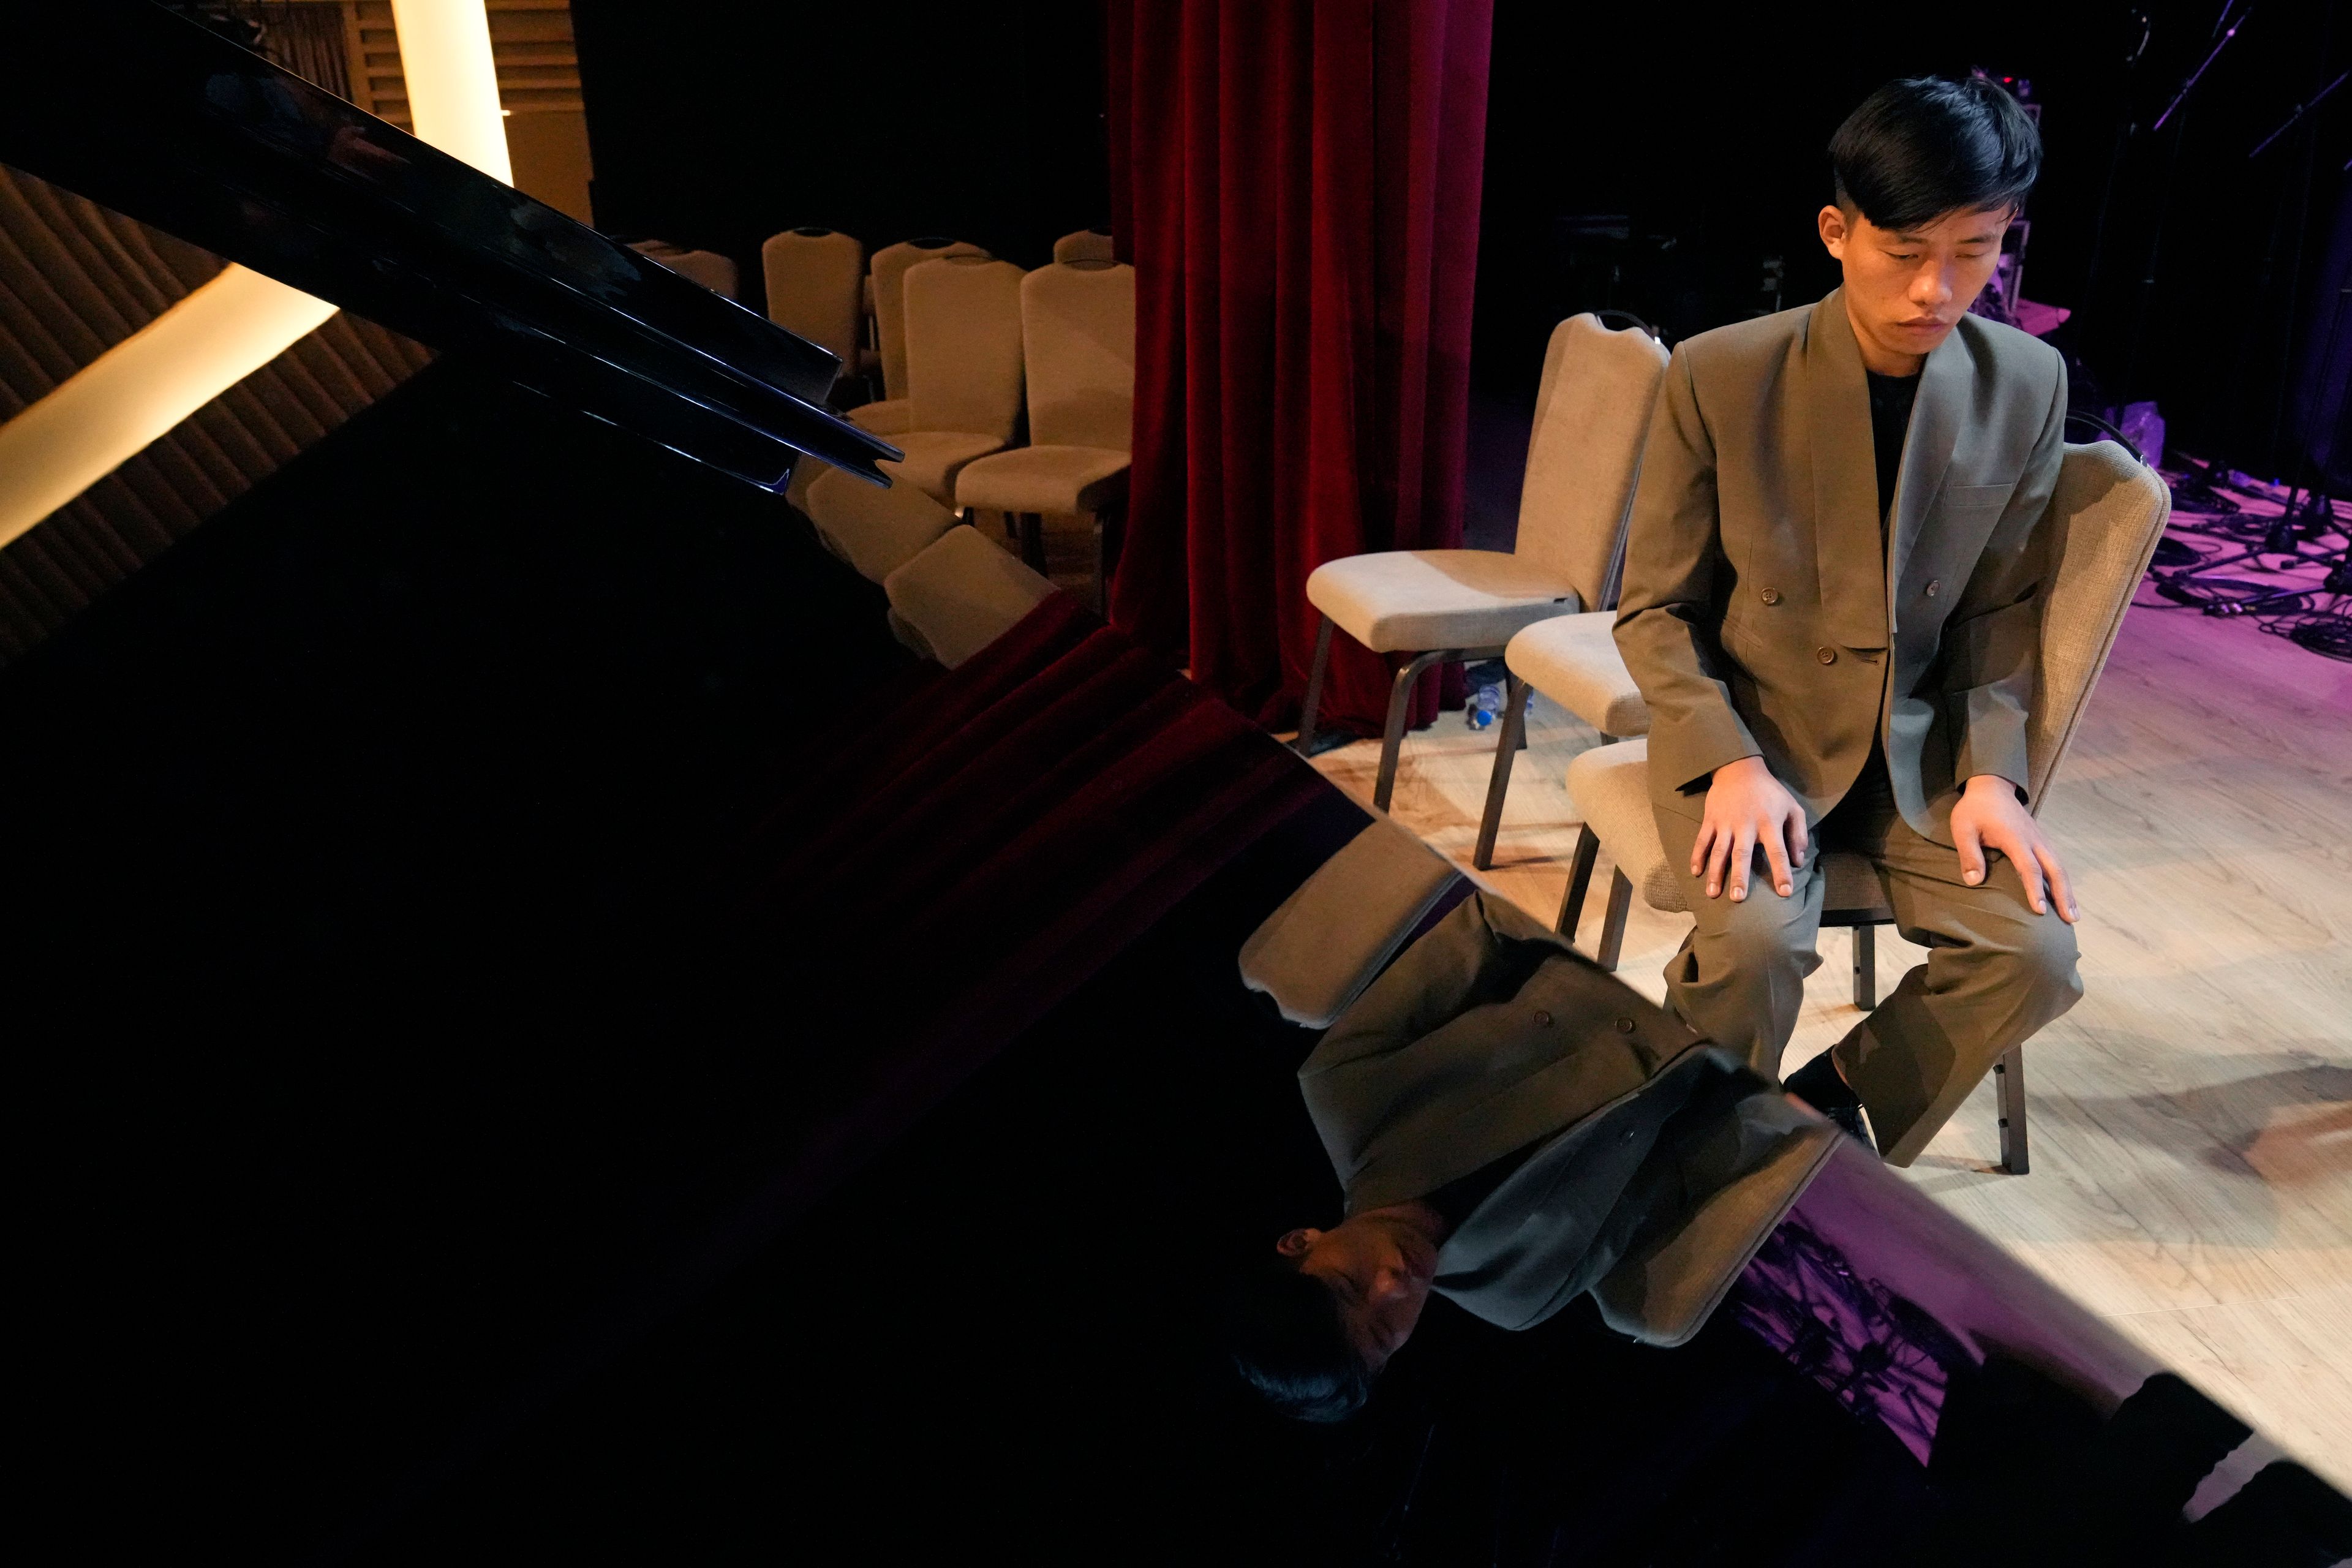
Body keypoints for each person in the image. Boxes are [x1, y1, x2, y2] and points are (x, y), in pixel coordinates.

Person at [1612, 75, 2083, 1168]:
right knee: (1755, 947)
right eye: (1906, 248)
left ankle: (1819, 1119)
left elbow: (1999, 611)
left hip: (1918, 763)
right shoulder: (1724, 374)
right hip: (1758, 746)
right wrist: (1727, 760)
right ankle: (1675, 1164)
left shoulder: (2028, 382)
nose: (1938, 286)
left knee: (2037, 955)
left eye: (1976, 250)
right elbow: (1656, 609)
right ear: (1837, 231)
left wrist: (1993, 779)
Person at [1227, 891, 1837, 1423]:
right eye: (1386, 1331)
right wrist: (1778, 1111)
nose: (1393, 1283)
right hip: (1711, 1036)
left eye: (1349, 1284)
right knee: (1772, 945)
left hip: (1611, 938)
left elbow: (1489, 923)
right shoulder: (1518, 1294)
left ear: (1300, 1241)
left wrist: (1635, 930)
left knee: (1761, 899)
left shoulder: (1345, 1087)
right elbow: (1676, 1173)